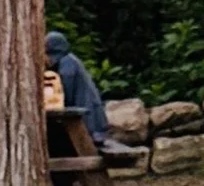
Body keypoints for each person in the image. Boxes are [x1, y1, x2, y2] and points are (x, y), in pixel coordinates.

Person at [45, 29, 141, 167]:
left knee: (56, 138)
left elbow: (63, 97)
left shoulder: (67, 66)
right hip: (95, 121)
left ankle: (68, 182)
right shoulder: (70, 60)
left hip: (90, 124)